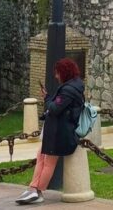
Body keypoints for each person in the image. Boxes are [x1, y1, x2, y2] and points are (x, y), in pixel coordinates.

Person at [15, 58, 85, 205]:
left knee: (48, 162)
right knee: (40, 157)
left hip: (60, 133)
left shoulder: (69, 90)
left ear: (64, 73)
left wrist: (47, 100)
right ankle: (33, 188)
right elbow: (57, 104)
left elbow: (54, 108)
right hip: (54, 130)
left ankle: (38, 191)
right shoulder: (72, 86)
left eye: (58, 73)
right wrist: (48, 97)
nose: (56, 76)